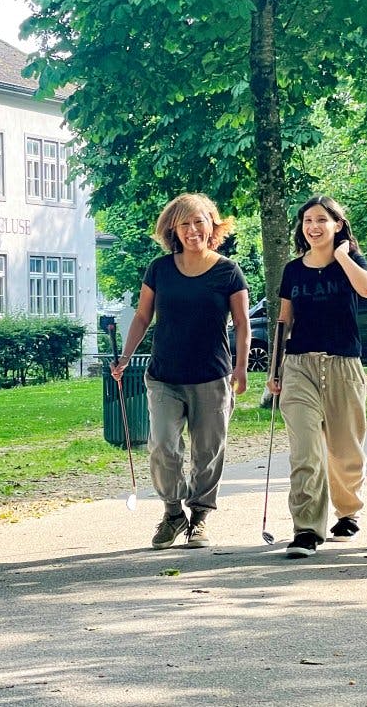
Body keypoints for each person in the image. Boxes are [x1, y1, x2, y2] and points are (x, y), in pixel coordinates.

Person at [112, 193, 249, 550]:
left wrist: (241, 368)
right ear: (173, 230)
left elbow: (242, 323)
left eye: (199, 222)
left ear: (212, 225)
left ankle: (200, 515)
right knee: (162, 445)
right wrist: (125, 357)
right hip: (164, 376)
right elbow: (143, 316)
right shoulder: (159, 269)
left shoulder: (228, 271)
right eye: (184, 224)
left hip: (212, 376)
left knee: (208, 451)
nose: (192, 230)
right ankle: (173, 513)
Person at [268, 196, 367, 559]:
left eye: (321, 220)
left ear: (337, 225)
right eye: (307, 221)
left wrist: (343, 256)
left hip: (343, 364)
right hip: (300, 365)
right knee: (306, 451)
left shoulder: (352, 262)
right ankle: (306, 529)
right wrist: (275, 369)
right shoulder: (293, 270)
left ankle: (348, 512)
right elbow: (284, 320)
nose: (313, 227)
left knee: (346, 451)